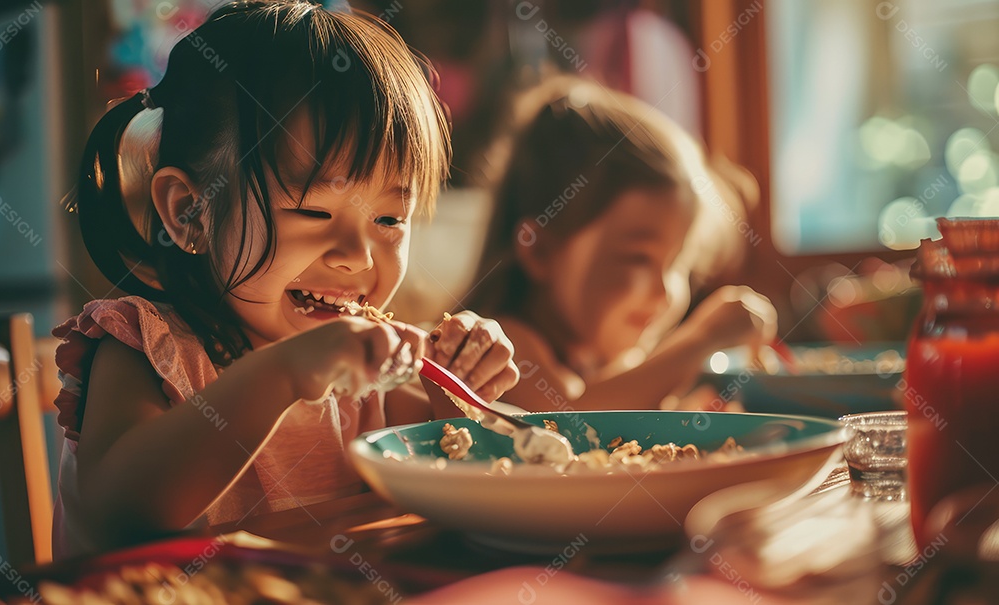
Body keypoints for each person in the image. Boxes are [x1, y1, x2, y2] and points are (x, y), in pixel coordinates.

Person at [51, 0, 518, 557]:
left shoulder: (368, 381)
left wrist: (462, 388)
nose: (356, 256)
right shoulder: (146, 348)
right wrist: (284, 374)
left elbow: (482, 469)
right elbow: (122, 510)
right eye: (314, 211)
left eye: (389, 219)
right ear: (189, 211)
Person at [468, 76, 776, 413]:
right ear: (540, 251)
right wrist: (702, 339)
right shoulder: (501, 346)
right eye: (638, 259)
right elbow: (571, 417)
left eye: (678, 263)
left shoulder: (613, 361)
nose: (665, 292)